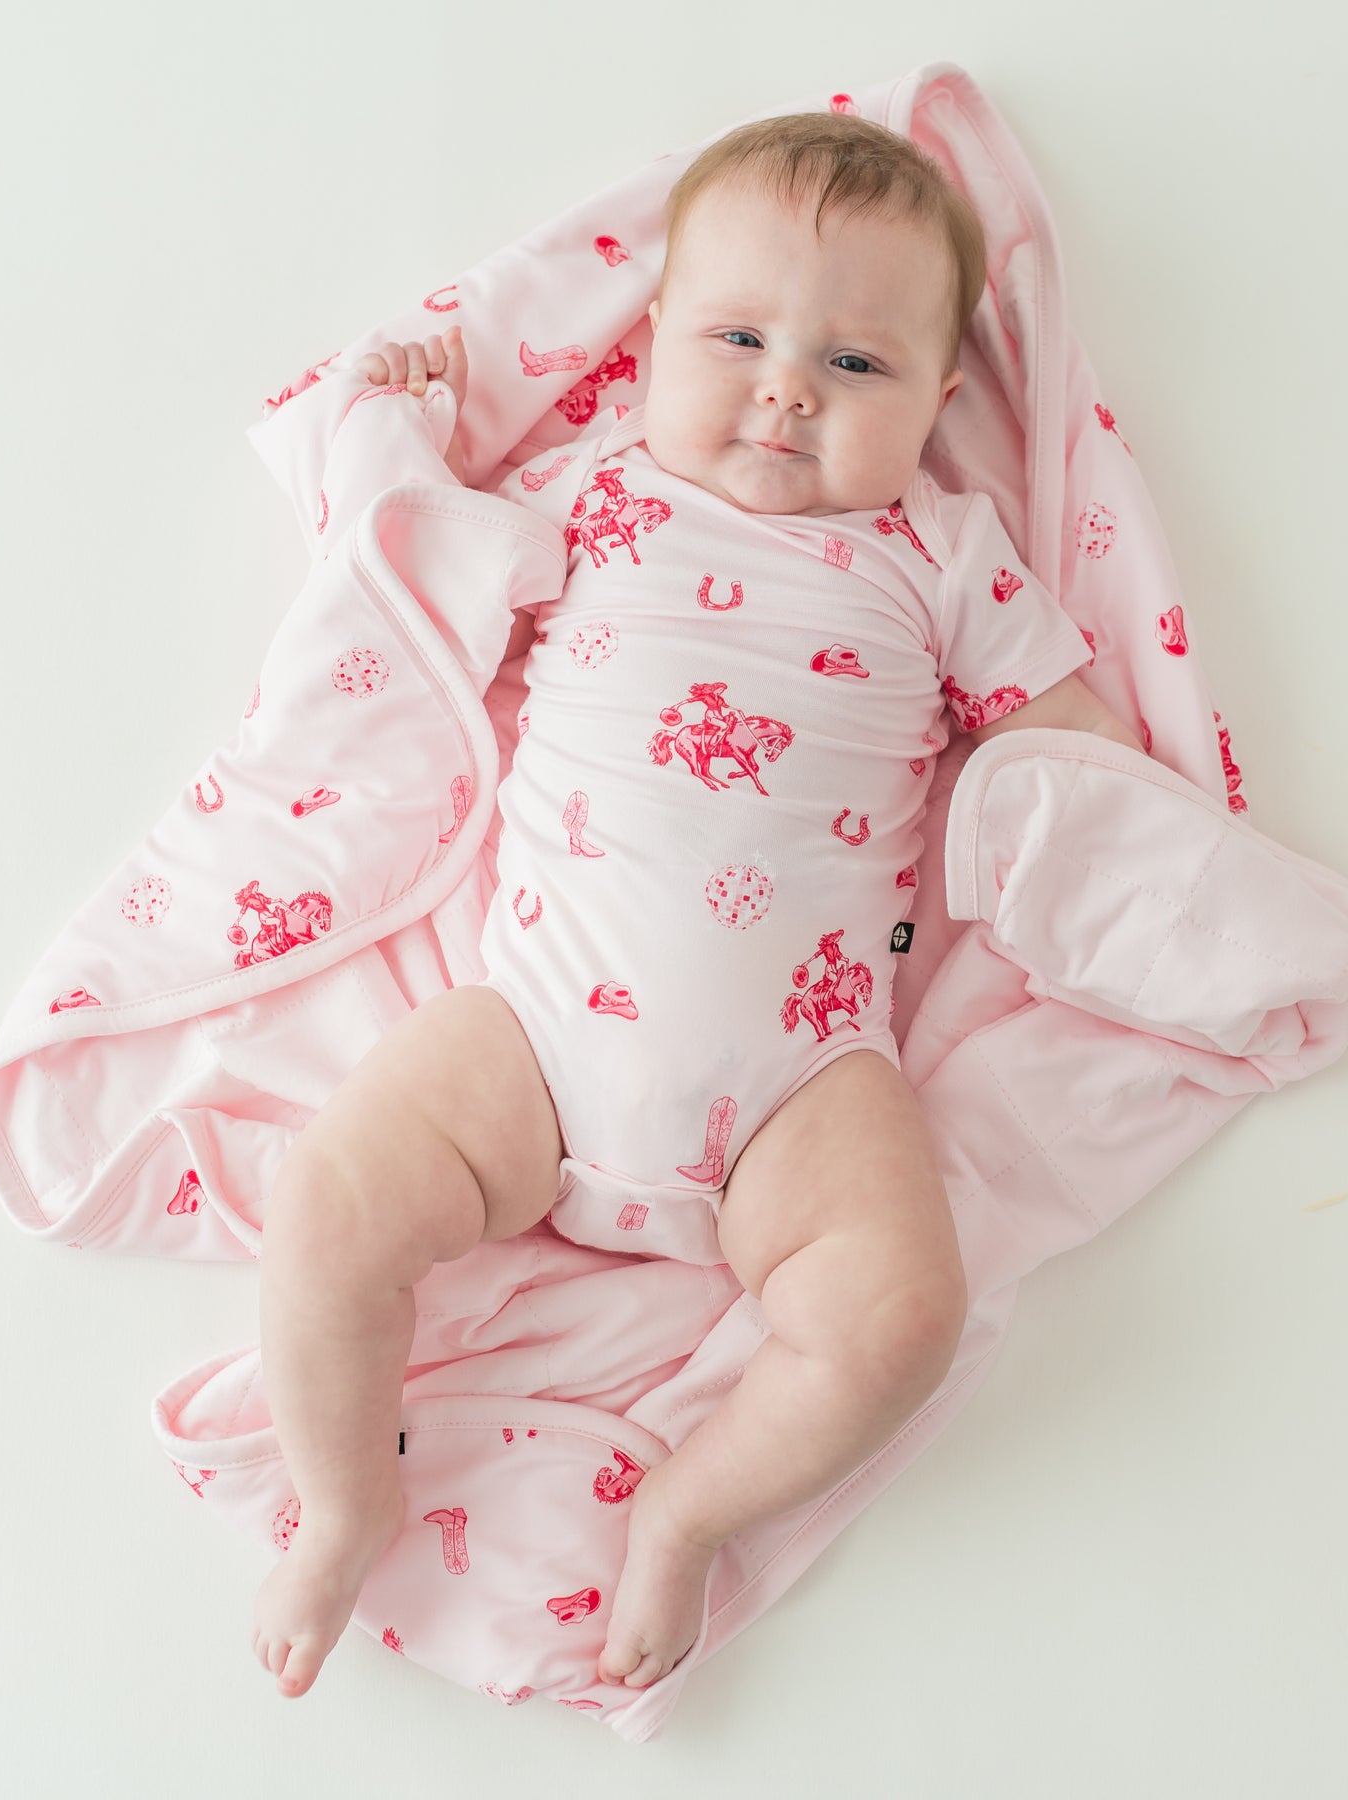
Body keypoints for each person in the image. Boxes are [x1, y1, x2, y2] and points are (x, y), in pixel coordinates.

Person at [252, 110, 1145, 1701]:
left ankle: (687, 1509)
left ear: (943, 402)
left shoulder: (943, 552)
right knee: (323, 1203)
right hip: (529, 1046)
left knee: (897, 1321)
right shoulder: (600, 496)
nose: (788, 385)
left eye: (858, 367)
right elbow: (420, 559)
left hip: (799, 1083)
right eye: (737, 336)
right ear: (652, 342)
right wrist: (389, 429)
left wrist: (1109, 827)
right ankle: (341, 1497)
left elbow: (1073, 747)